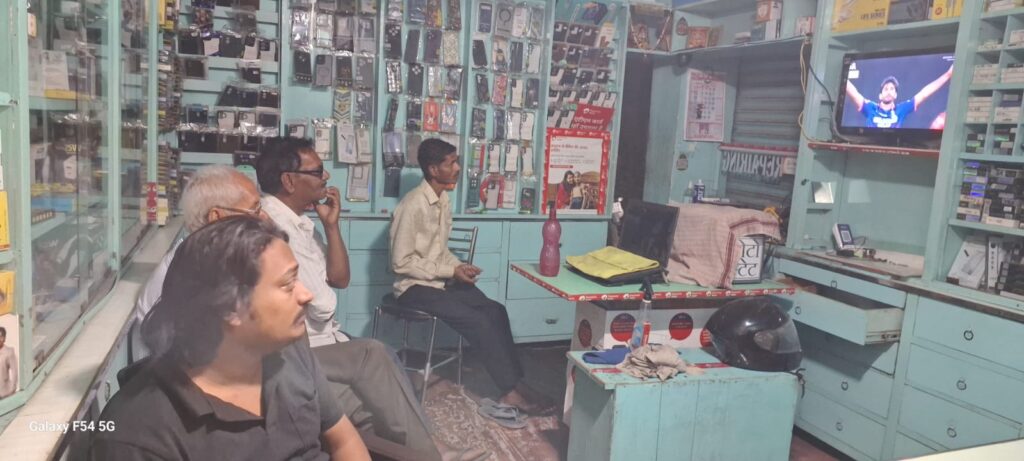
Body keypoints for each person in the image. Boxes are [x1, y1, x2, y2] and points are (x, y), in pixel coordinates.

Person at [136, 164, 478, 461]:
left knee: (370, 371)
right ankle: (429, 452)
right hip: (256, 374)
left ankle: (424, 451)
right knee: (364, 392)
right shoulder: (186, 275)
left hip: (277, 361)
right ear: (217, 217)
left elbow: (334, 285)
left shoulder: (245, 254)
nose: (264, 217)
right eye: (255, 209)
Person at [255, 139, 484, 460]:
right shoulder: (276, 228)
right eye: (317, 171)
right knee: (376, 358)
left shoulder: (301, 223)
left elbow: (340, 279)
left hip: (325, 340)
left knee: (380, 391)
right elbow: (323, 304)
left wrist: (331, 227)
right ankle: (434, 454)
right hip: (304, 348)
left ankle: (430, 450)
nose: (326, 177)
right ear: (289, 181)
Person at [92, 217, 370, 460]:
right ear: (229, 308)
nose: (306, 294)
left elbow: (344, 441)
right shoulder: (140, 434)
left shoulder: (289, 351)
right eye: (287, 285)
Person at [390, 138, 556, 420]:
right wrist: (449, 272)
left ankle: (517, 383)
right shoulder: (412, 205)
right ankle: (510, 391)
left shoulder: (442, 200)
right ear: (433, 169)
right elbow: (400, 262)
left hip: (437, 282)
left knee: (495, 311)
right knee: (478, 320)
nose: (457, 168)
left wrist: (459, 266)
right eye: (451, 163)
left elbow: (439, 251)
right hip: (412, 288)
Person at [845, 64, 953, 129]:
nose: (889, 91)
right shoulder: (870, 107)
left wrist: (948, 75)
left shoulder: (901, 109)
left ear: (895, 95)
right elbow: (853, 93)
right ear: (880, 95)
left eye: (892, 89)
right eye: (886, 89)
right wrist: (843, 74)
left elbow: (924, 94)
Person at [0, 326, 17, 398]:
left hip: (4, 393)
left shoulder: (9, 352)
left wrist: (12, 389)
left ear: (4, 338)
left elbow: (14, 372)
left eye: (1, 337)